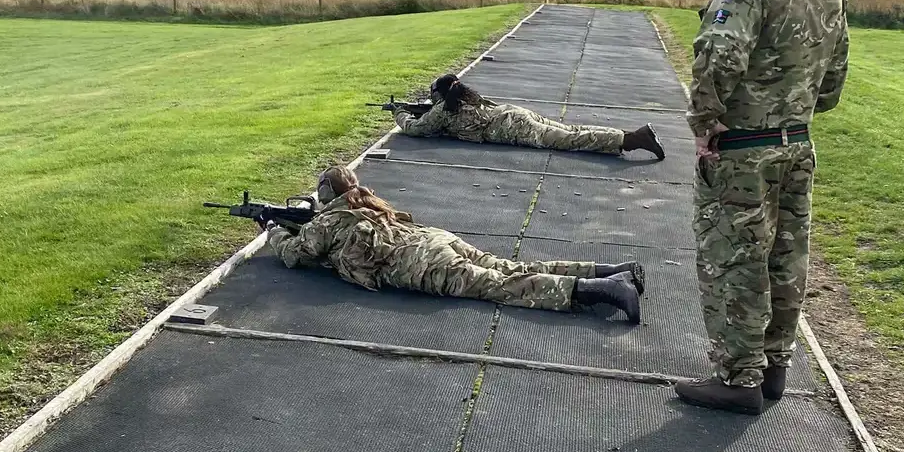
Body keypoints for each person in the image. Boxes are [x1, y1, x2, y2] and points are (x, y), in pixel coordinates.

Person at [674, 0, 849, 416]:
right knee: (785, 257)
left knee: (735, 259)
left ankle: (738, 377)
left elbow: (714, 63)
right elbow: (834, 82)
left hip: (742, 153)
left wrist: (704, 128)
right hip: (797, 146)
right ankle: (774, 368)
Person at [267, 165, 645, 322]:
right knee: (511, 267)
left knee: (503, 286)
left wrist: (274, 231)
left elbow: (296, 255)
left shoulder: (328, 221)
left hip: (424, 265)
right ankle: (610, 270)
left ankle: (605, 290)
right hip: (436, 240)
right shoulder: (366, 202)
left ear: (324, 194)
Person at [394, 74, 665, 160]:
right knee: (572, 130)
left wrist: (401, 114)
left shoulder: (442, 110)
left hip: (513, 129)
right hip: (514, 113)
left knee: (569, 140)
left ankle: (632, 139)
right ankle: (628, 135)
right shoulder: (465, 97)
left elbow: (417, 129)